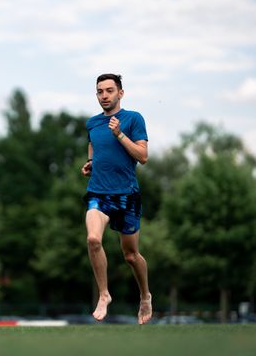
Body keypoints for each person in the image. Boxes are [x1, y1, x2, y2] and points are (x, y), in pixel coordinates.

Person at [80, 73, 152, 325]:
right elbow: (93, 145)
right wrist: (90, 162)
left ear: (120, 93)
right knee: (92, 239)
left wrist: (120, 134)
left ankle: (145, 296)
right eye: (100, 91)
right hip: (98, 192)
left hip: (127, 196)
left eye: (109, 90)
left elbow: (142, 156)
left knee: (131, 255)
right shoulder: (92, 123)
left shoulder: (133, 119)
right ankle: (104, 294)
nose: (104, 96)